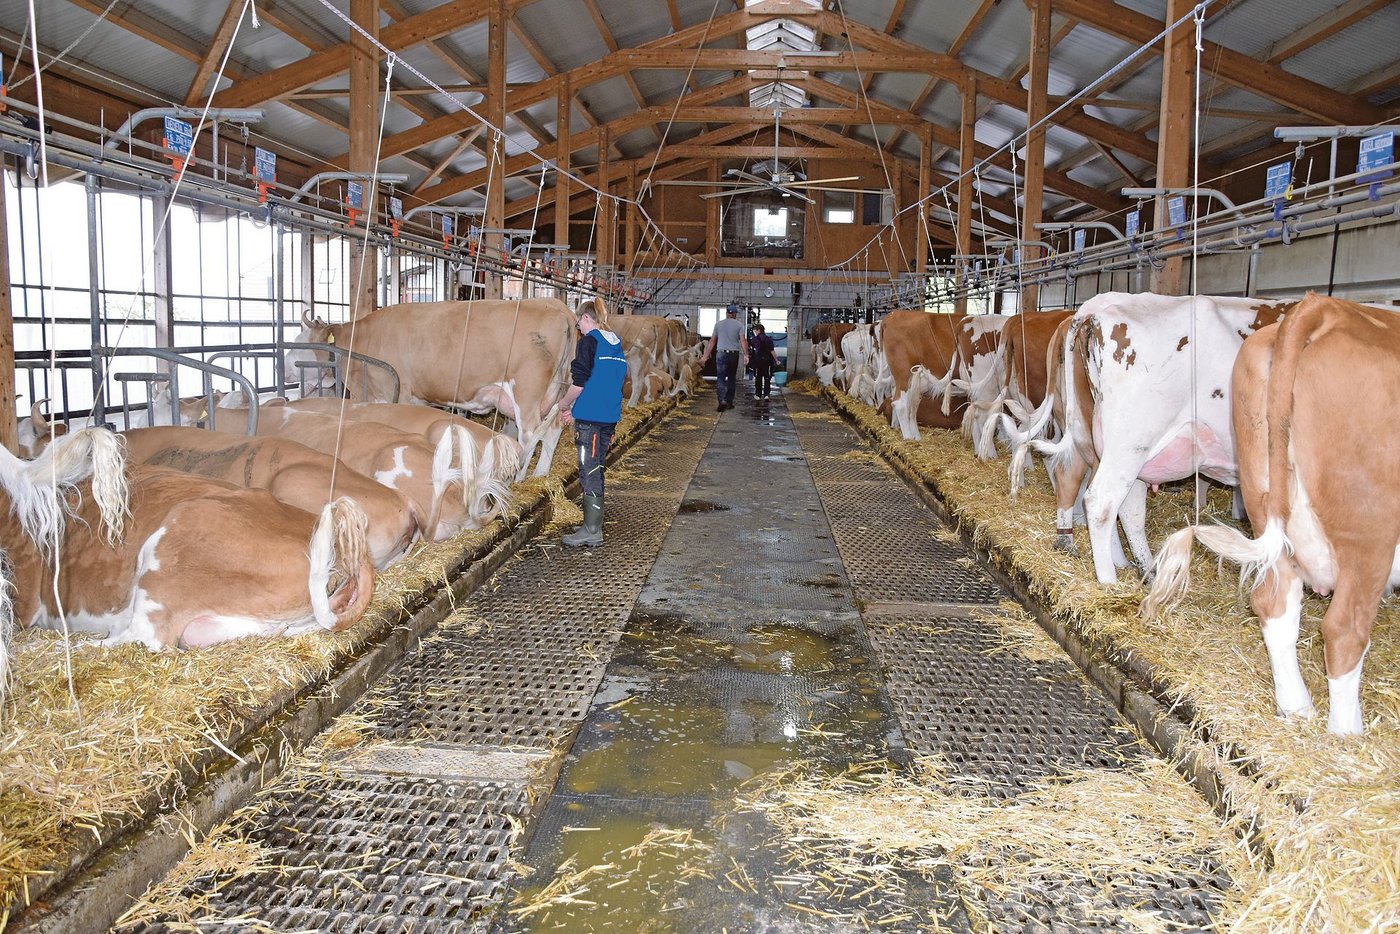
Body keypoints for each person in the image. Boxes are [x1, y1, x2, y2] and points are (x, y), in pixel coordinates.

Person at [558, 303, 627, 547]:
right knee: (596, 467)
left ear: (587, 317)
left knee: (589, 470)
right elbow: (603, 382)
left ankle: (592, 530)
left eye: (579, 322)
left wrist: (565, 404)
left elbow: (579, 383)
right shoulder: (615, 344)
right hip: (608, 418)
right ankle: (592, 522)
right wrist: (576, 410)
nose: (579, 327)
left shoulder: (589, 342)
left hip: (590, 422)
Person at [699, 304, 748, 411]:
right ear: (734, 314)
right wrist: (746, 355)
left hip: (721, 353)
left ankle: (722, 401)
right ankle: (729, 402)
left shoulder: (718, 324)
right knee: (731, 378)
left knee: (720, 378)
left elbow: (712, 341)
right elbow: (743, 341)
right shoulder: (739, 325)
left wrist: (705, 357)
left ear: (726, 313)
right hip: (733, 354)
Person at [750, 323, 778, 400]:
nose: (755, 332)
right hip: (767, 361)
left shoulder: (754, 339)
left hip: (758, 361)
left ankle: (758, 395)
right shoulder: (769, 339)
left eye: (755, 330)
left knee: (758, 378)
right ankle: (766, 395)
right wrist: (776, 360)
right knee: (767, 378)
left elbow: (752, 350)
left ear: (758, 330)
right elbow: (772, 351)